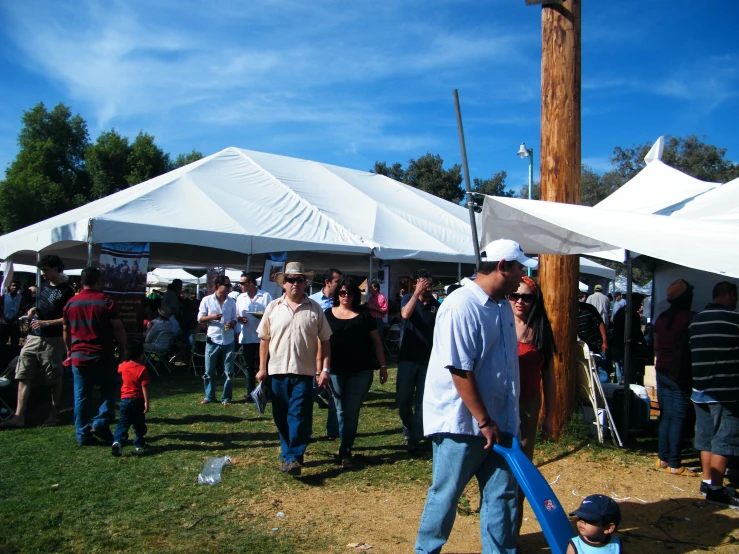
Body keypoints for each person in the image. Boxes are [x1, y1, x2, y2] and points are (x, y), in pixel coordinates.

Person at [415, 239, 535, 553]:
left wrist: (508, 416)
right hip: (462, 424)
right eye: (519, 267)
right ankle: (426, 550)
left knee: (503, 496)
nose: (522, 274)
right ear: (502, 266)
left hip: (501, 423)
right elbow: (460, 370)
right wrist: (484, 420)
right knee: (447, 493)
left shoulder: (500, 306)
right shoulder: (461, 305)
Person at [257, 262, 332, 477]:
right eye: (291, 280)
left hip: (304, 371)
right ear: (284, 284)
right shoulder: (273, 307)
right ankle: (288, 455)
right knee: (281, 415)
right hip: (277, 370)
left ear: (305, 283)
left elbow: (325, 340)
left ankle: (293, 457)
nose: (296, 284)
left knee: (298, 414)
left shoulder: (315, 308)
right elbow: (264, 339)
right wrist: (262, 368)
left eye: (300, 280)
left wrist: (324, 369)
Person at [0, 255, 74, 430]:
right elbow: (40, 307)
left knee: (53, 378)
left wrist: (47, 323)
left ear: (56, 268)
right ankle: (19, 416)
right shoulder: (43, 287)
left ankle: (54, 414)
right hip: (34, 337)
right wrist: (33, 310)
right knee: (23, 374)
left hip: (53, 340)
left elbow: (69, 318)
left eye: (46, 270)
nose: (43, 274)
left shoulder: (67, 291)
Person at [509, 276, 557, 536]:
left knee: (522, 471)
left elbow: (549, 377)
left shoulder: (540, 330)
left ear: (534, 301)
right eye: (514, 295)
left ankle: (513, 533)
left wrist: (549, 415)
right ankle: (498, 528)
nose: (519, 301)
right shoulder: (499, 324)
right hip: (500, 405)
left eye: (526, 297)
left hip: (528, 405)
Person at [325, 277, 387, 469]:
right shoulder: (327, 314)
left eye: (349, 293)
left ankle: (345, 451)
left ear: (355, 295)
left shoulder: (364, 315)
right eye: (342, 292)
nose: (345, 296)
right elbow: (322, 344)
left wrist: (383, 366)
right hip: (336, 370)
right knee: (341, 411)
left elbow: (377, 342)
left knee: (351, 411)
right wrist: (321, 369)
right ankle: (345, 447)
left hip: (361, 370)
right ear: (337, 294)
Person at [63, 267, 127, 445]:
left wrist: (69, 350)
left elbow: (66, 330)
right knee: (109, 389)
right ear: (99, 282)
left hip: (79, 356)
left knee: (82, 396)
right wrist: (123, 348)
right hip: (102, 355)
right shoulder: (106, 301)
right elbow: (118, 328)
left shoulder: (71, 303)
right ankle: (100, 421)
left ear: (82, 282)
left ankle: (82, 434)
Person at [689, 281, 739, 508]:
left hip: (700, 388)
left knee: (706, 437)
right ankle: (717, 490)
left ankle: (707, 481)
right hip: (725, 391)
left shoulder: (697, 320)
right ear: (729, 294)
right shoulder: (733, 321)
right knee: (724, 439)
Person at [653, 279, 695, 475]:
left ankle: (662, 458)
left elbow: (655, 345)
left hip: (661, 369)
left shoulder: (661, 318)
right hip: (678, 372)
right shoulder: (690, 318)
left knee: (666, 415)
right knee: (678, 418)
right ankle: (675, 463)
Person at [397, 269, 440, 454]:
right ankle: (408, 426)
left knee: (422, 401)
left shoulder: (436, 306)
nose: (427, 287)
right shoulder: (408, 299)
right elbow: (405, 315)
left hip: (427, 360)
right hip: (407, 358)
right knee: (403, 399)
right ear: (416, 284)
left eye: (429, 283)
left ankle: (415, 437)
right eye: (423, 283)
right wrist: (415, 293)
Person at [309, 268, 343, 439]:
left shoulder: (342, 301)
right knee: (309, 393)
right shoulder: (313, 301)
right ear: (328, 282)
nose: (341, 285)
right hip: (314, 352)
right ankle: (305, 431)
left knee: (335, 395)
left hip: (335, 352)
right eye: (338, 281)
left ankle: (333, 430)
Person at [198, 274, 238, 406]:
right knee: (209, 371)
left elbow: (235, 318)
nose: (229, 288)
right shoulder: (207, 300)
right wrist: (212, 317)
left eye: (229, 286)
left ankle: (226, 398)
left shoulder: (231, 301)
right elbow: (200, 318)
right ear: (218, 286)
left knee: (229, 372)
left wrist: (232, 323)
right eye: (227, 286)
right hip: (213, 338)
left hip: (228, 339)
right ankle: (209, 396)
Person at [236, 272, 272, 395]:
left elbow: (271, 314)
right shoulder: (241, 298)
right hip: (246, 336)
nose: (240, 286)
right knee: (248, 366)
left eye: (242, 283)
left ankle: (266, 392)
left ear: (251, 283)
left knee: (264, 365)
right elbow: (235, 314)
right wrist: (240, 318)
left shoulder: (265, 296)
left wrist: (262, 317)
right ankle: (250, 392)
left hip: (261, 337)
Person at [112, 340, 151, 456]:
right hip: (137, 400)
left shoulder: (122, 367)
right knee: (138, 423)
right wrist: (146, 403)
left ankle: (117, 441)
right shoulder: (142, 369)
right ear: (140, 356)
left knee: (123, 423)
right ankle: (139, 443)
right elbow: (144, 387)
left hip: (124, 400)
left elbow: (118, 370)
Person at [610, 294, 648, 385]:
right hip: (622, 344)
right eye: (639, 303)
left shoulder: (621, 311)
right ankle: (626, 384)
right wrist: (643, 343)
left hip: (617, 343)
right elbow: (636, 330)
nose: (640, 306)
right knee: (628, 367)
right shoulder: (630, 313)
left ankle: (621, 381)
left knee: (620, 366)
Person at [0, 280, 26, 346]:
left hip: (14, 324)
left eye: (16, 286)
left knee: (14, 343)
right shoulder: (3, 297)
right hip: (4, 323)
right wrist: (4, 317)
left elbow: (23, 310)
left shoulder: (21, 298)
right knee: (2, 342)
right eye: (13, 286)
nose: (14, 287)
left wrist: (15, 318)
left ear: (18, 288)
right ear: (10, 287)